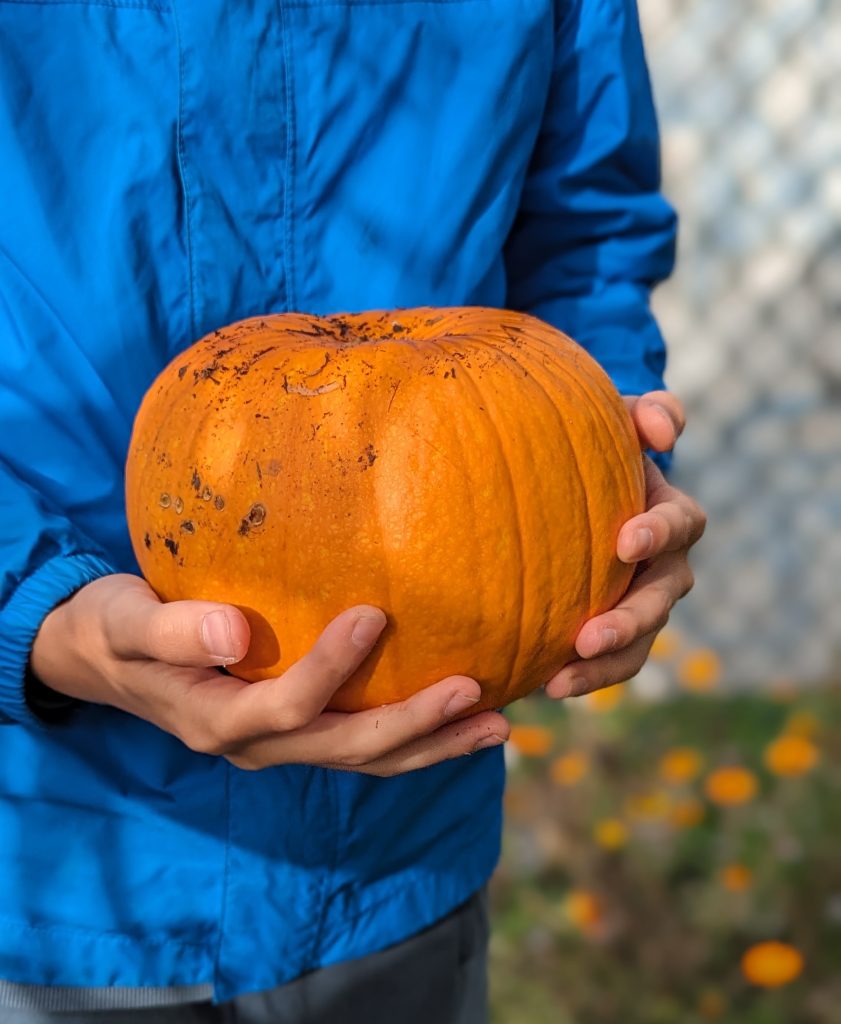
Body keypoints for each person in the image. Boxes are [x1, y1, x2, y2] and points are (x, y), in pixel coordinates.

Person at [0, 0, 705, 1020]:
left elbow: (580, 240)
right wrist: (35, 610)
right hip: (48, 844)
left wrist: (603, 476)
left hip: (401, 846)